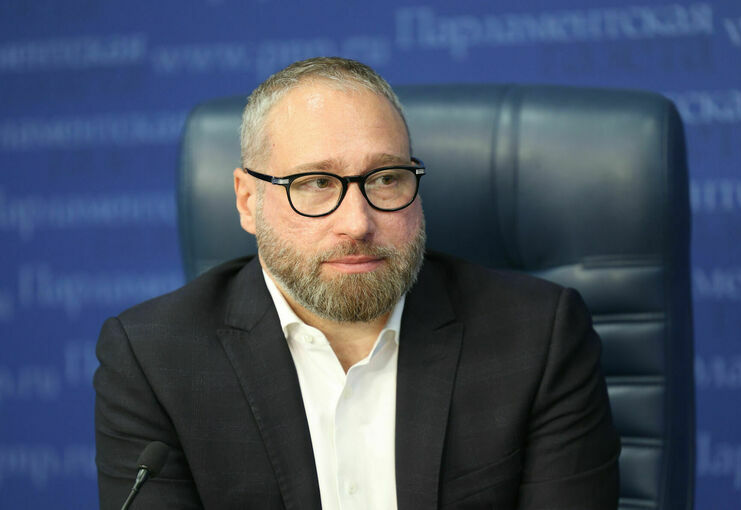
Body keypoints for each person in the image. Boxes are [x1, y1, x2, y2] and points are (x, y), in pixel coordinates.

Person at [94, 57, 620, 509]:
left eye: (385, 179)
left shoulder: (539, 337)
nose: (357, 223)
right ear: (248, 201)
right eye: (316, 183)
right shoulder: (153, 361)